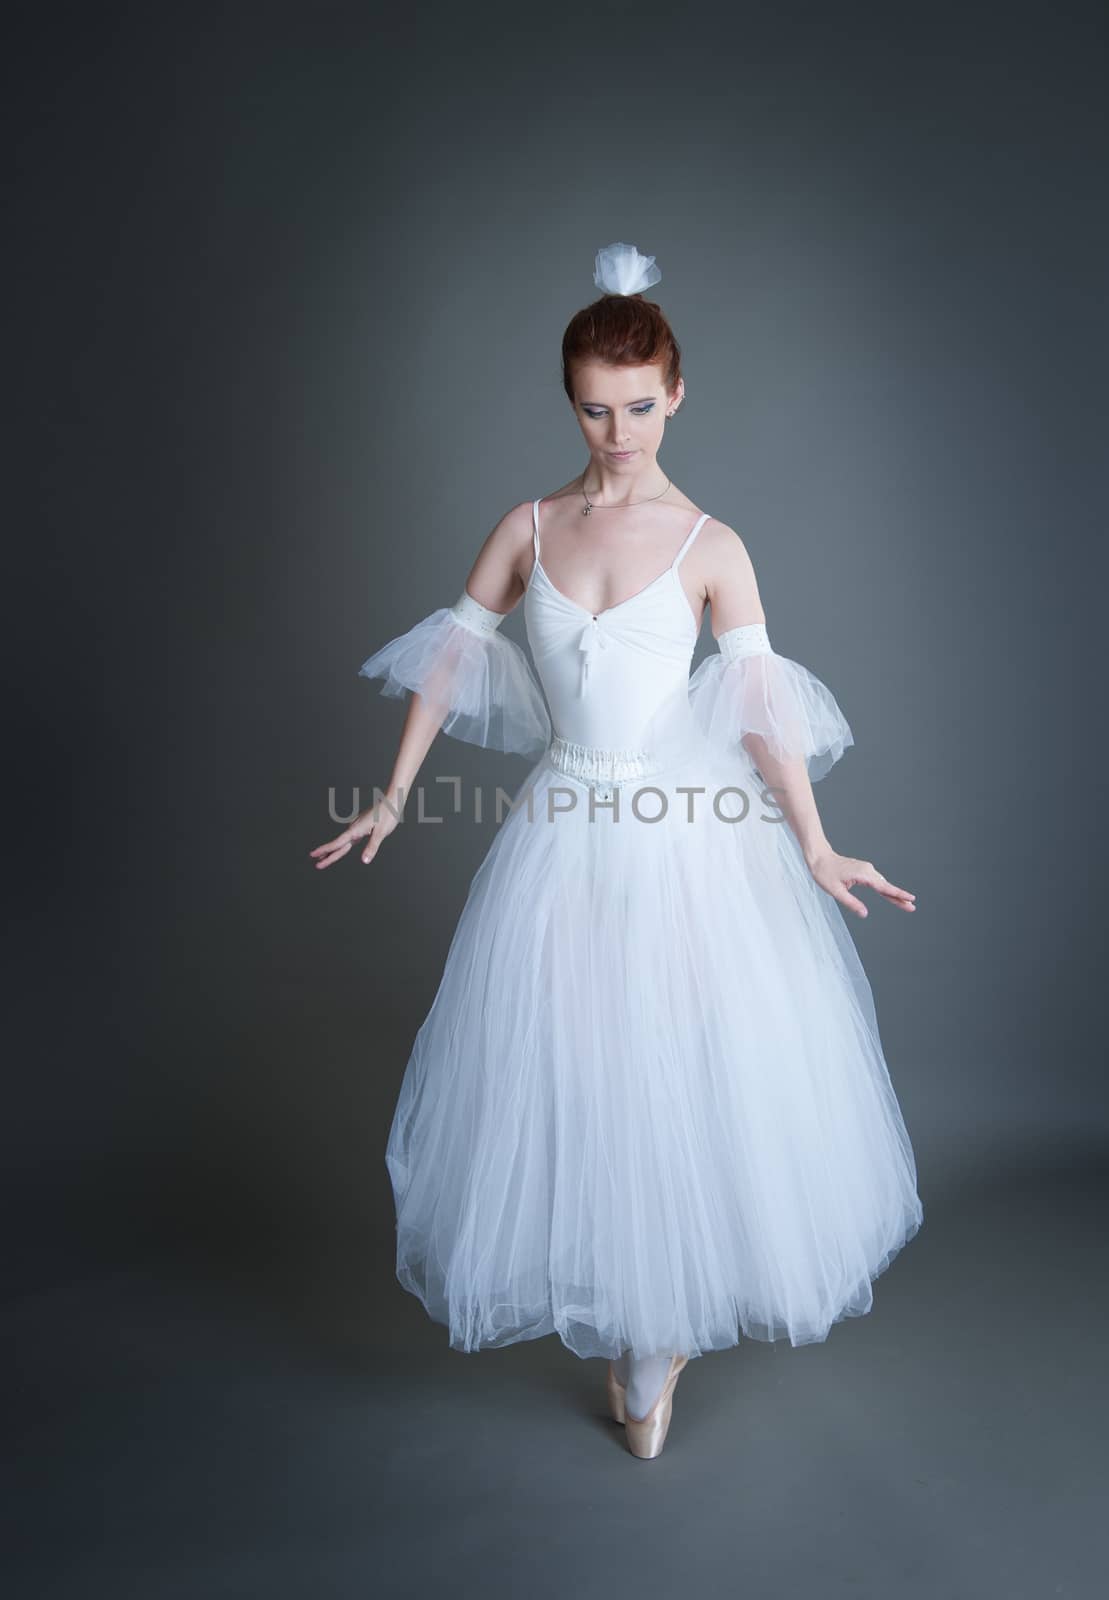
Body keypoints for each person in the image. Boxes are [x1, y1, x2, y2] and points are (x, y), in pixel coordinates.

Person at [310, 241, 924, 1460]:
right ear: (569, 401)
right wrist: (389, 797)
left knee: (672, 1065)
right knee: (574, 1063)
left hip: (682, 840)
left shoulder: (712, 545)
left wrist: (814, 845)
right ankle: (623, 1317)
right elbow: (448, 659)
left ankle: (657, 1333)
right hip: (561, 831)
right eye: (594, 407)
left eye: (638, 406)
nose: (618, 430)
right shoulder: (527, 527)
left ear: (676, 395)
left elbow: (756, 708)